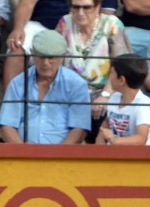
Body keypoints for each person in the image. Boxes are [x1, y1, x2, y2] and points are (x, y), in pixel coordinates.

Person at [0, 29, 92, 144]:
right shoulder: (18, 83)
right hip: (24, 155)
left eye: (51, 57)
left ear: (64, 55)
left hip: (64, 156)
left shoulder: (76, 84)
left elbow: (80, 128)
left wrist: (58, 157)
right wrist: (23, 153)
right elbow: (7, 125)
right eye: (41, 57)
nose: (46, 63)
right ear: (32, 53)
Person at [56, 0, 131, 140]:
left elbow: (121, 65)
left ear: (98, 7)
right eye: (76, 7)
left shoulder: (112, 24)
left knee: (101, 114)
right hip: (69, 94)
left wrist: (105, 94)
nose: (80, 13)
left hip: (103, 93)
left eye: (87, 7)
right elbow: (55, 60)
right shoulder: (65, 23)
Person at [3, 0, 119, 89]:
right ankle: (11, 105)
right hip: (42, 25)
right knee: (17, 46)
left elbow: (106, 14)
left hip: (84, 27)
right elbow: (27, 2)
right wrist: (18, 29)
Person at [96, 53, 150, 145]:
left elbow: (141, 138)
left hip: (136, 157)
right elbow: (106, 125)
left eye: (112, 73)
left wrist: (115, 140)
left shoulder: (143, 104)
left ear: (121, 80)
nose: (109, 77)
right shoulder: (114, 98)